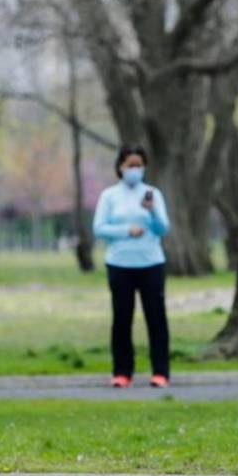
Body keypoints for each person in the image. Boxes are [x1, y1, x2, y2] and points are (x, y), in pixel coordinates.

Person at [92, 146, 172, 388]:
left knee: (156, 318)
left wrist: (153, 212)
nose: (135, 170)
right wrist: (126, 230)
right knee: (122, 318)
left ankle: (160, 372)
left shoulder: (152, 194)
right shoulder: (109, 196)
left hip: (151, 263)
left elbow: (163, 229)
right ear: (120, 167)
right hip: (119, 264)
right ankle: (122, 372)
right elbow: (99, 228)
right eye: (131, 165)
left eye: (139, 165)